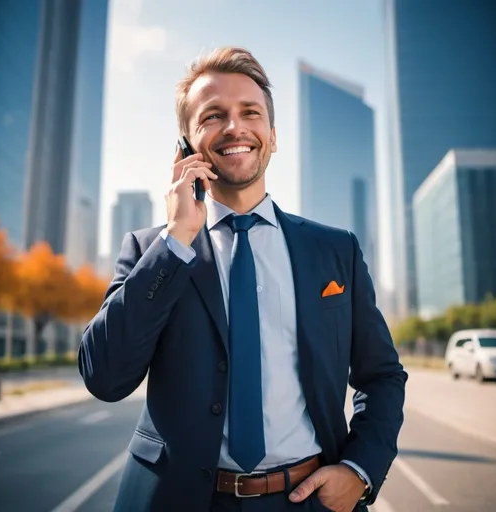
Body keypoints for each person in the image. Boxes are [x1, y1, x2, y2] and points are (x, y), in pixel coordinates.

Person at [78, 46, 407, 512]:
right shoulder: (152, 250)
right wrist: (176, 240)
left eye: (249, 113)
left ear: (272, 136)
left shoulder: (335, 251)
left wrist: (360, 471)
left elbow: (382, 376)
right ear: (186, 145)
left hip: (309, 500)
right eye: (213, 115)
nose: (235, 127)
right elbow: (104, 378)